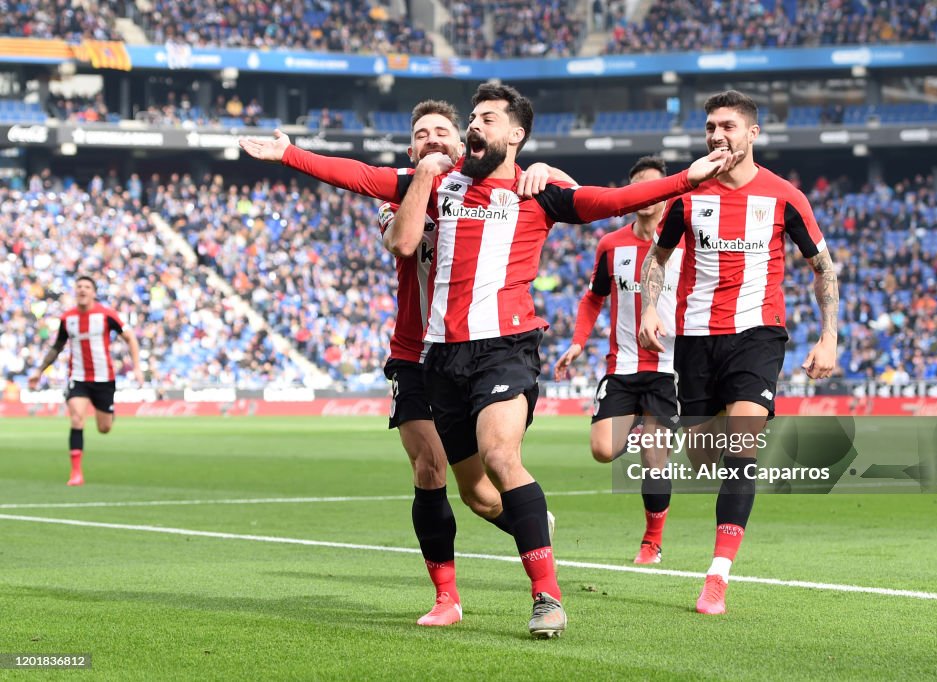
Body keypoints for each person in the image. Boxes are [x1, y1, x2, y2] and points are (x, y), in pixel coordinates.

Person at [240, 83, 742, 638]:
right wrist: (289, 154)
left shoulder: (540, 193)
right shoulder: (436, 187)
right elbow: (358, 176)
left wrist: (687, 180)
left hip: (506, 348)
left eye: (485, 118)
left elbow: (609, 201)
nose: (476, 125)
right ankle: (475, 575)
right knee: (476, 492)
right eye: (473, 116)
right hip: (437, 358)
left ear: (514, 134)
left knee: (502, 457)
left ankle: (547, 599)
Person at [241, 98, 562, 629]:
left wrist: (544, 169)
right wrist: (292, 154)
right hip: (415, 354)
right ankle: (447, 598)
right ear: (411, 151)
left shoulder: (491, 187)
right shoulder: (408, 193)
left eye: (442, 131)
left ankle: (532, 532)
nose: (432, 139)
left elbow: (559, 193)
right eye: (421, 134)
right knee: (428, 470)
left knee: (481, 495)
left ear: (463, 144)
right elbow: (395, 233)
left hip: (478, 347)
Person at [638, 90, 838, 615]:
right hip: (697, 337)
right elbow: (657, 258)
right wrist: (648, 308)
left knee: (741, 447)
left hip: (758, 332)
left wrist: (829, 334)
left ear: (752, 133)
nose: (716, 135)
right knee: (704, 455)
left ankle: (717, 576)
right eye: (709, 127)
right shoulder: (686, 194)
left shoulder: (785, 196)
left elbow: (823, 268)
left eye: (727, 125)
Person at [553, 155, 680, 565]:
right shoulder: (611, 245)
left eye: (653, 186)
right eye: (638, 186)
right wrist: (577, 341)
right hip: (622, 367)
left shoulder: (684, 244)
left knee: (654, 457)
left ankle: (651, 541)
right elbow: (594, 297)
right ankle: (641, 426)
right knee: (603, 450)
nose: (646, 194)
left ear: (665, 194)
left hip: (667, 369)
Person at [28, 276, 144, 486]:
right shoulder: (67, 318)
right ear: (75, 291)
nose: (82, 289)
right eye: (79, 286)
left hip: (103, 378)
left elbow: (131, 338)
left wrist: (137, 367)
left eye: (87, 286)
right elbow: (57, 347)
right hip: (78, 377)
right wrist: (39, 371)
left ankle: (108, 413)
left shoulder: (107, 315)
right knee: (76, 419)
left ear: (93, 292)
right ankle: (76, 473)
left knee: (104, 428)